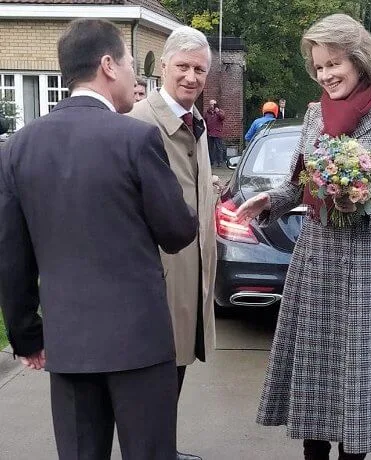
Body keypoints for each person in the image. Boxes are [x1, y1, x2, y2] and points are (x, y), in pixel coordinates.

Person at [0, 19, 198, 459]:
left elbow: (10, 256)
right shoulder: (136, 138)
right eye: (132, 64)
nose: (135, 75)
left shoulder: (17, 147)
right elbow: (177, 231)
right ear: (108, 65)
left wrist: (26, 336)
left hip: (69, 345)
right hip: (140, 345)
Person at [237, 13, 371, 459]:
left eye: (335, 63)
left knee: (357, 374)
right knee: (314, 374)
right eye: (319, 67)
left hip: (369, 260)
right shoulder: (314, 116)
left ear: (360, 59)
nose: (326, 75)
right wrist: (269, 200)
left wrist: (367, 203)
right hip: (317, 258)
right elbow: (299, 182)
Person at [127, 25, 217, 460]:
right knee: (156, 376)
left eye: (199, 69)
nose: (191, 77)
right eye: (182, 66)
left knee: (175, 370)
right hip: (159, 272)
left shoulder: (194, 120)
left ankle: (163, 449)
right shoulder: (139, 123)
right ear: (162, 66)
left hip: (190, 269)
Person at [204, 98, 226, 167]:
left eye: (213, 104)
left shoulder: (220, 111)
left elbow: (222, 117)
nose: (212, 106)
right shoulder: (207, 113)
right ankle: (211, 161)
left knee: (219, 148)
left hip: (217, 133)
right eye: (210, 104)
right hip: (210, 133)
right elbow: (204, 120)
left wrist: (218, 112)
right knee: (210, 148)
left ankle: (220, 162)